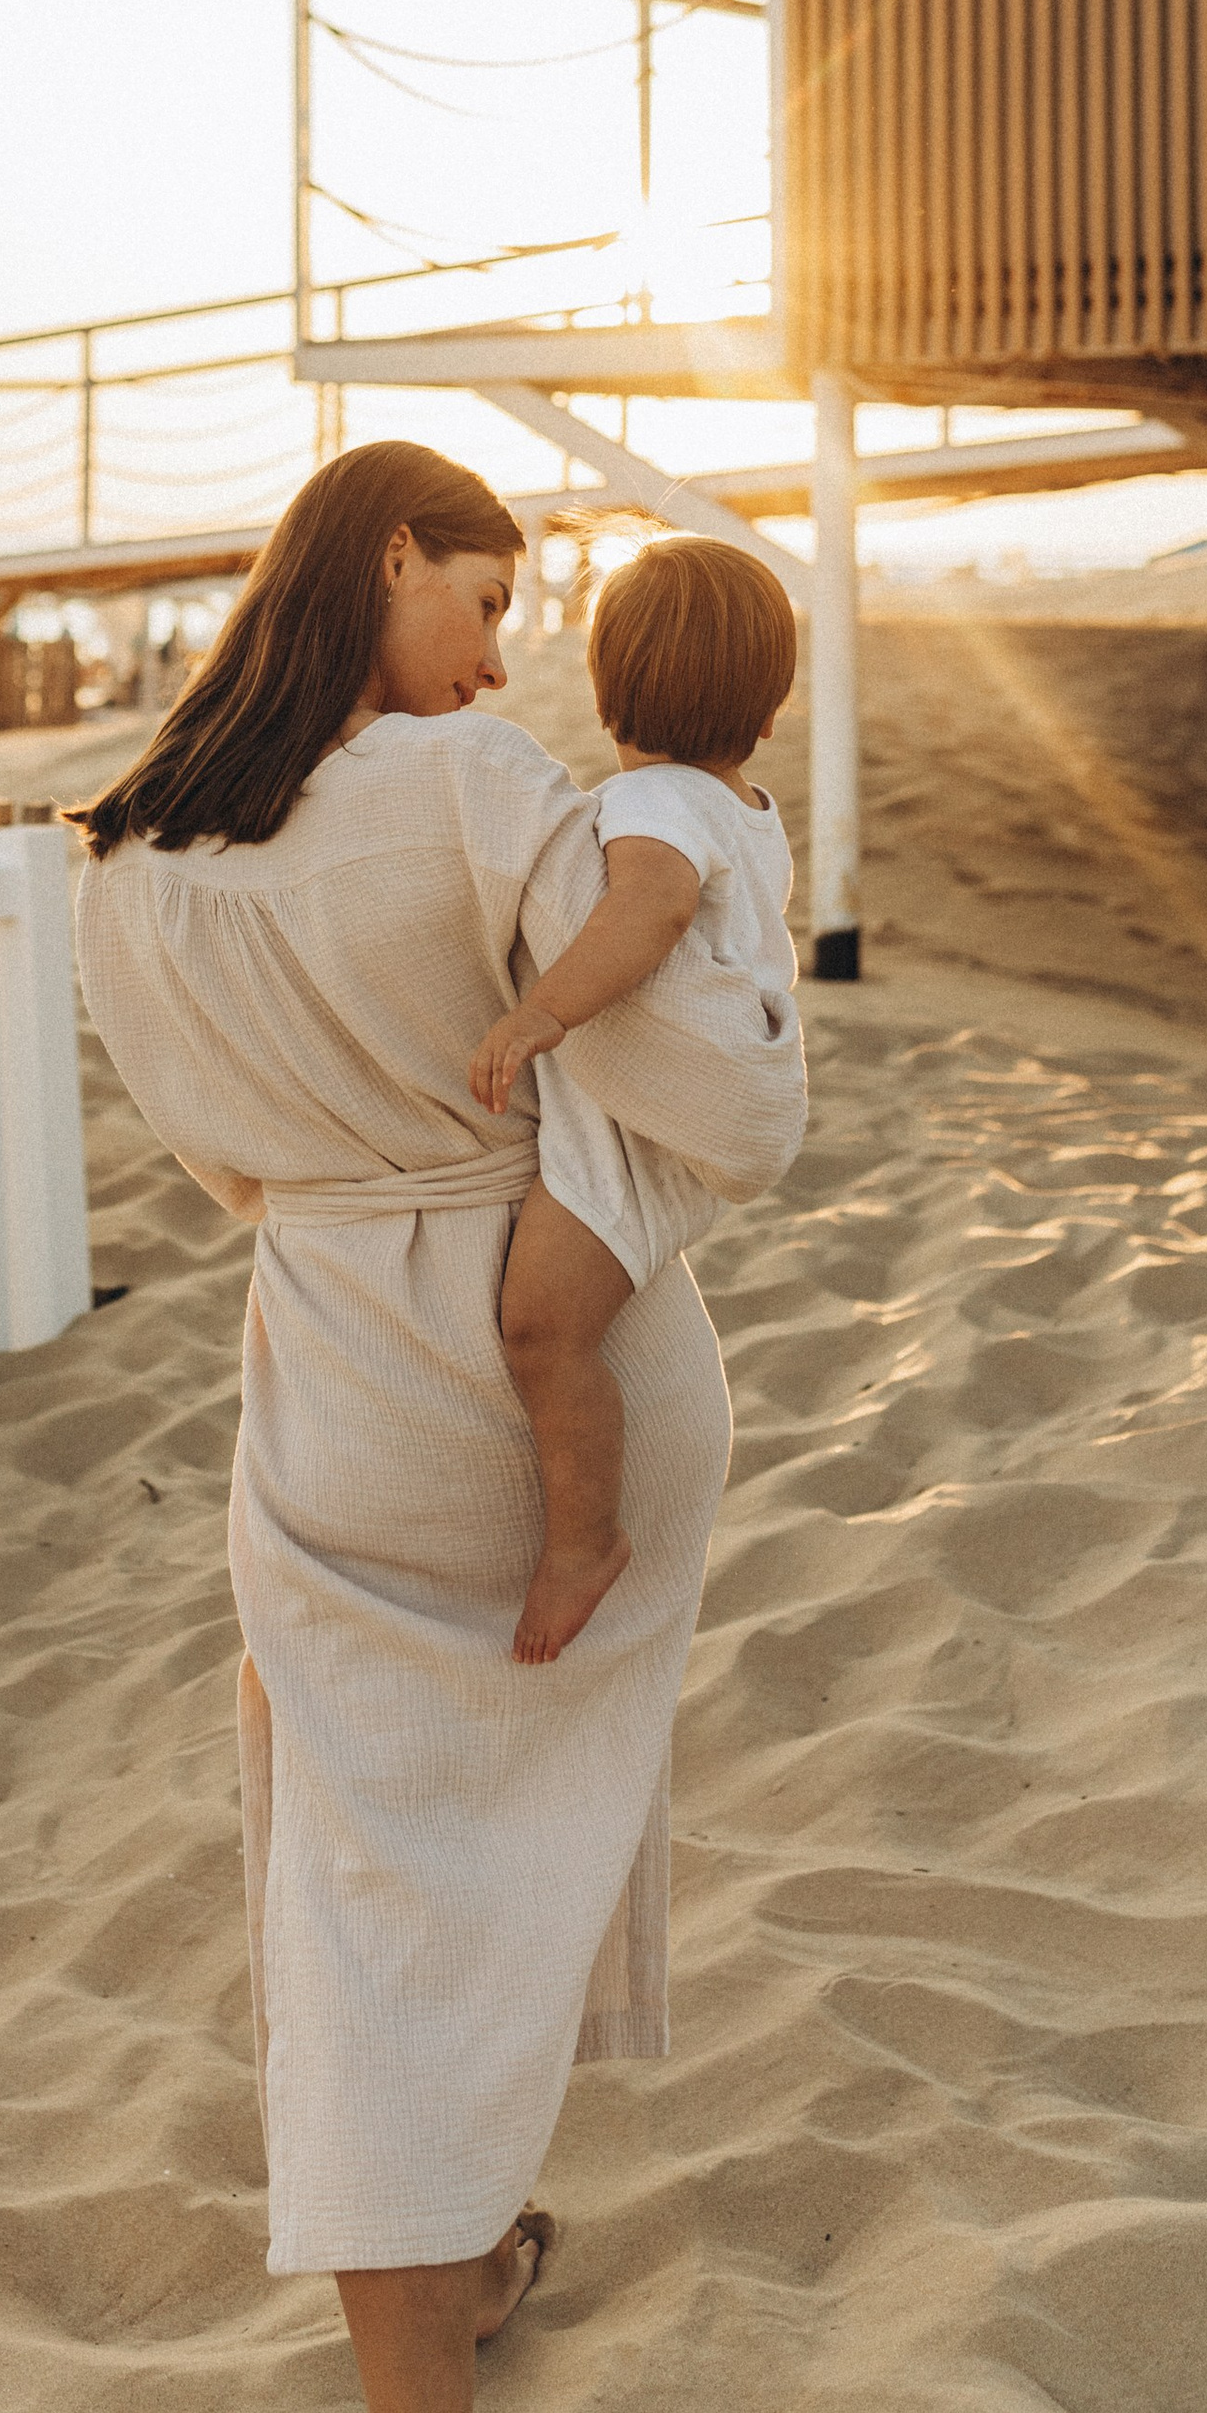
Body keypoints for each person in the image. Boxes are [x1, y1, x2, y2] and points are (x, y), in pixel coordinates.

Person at [71, 443, 806, 2413]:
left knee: (361, 1857)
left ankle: (447, 2286)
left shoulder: (130, 852)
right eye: (480, 606)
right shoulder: (483, 792)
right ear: (388, 557)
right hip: (544, 1342)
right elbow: (722, 1112)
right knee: (516, 1833)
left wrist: (341, 1182)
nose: (496, 668)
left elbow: (215, 1159)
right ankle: (451, 2258)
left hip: (327, 1365)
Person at [469, 535, 801, 1666]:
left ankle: (583, 1542)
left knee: (540, 1331)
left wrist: (539, 1012)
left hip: (631, 1135)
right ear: (765, 702)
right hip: (668, 1133)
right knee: (554, 1327)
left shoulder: (650, 801)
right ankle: (584, 1533)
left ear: (615, 684)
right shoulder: (747, 808)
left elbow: (646, 912)